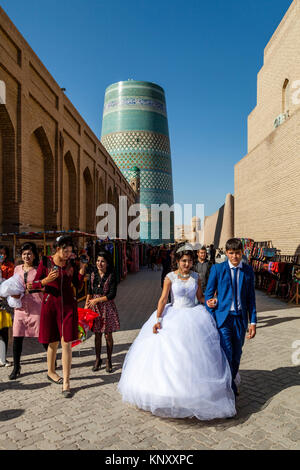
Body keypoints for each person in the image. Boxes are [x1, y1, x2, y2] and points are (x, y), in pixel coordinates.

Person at [118, 245, 236, 420]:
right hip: (174, 315)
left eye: (189, 261)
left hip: (194, 316)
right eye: (184, 261)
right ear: (178, 261)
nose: (187, 264)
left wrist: (208, 302)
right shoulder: (170, 277)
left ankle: (193, 393)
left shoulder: (196, 277)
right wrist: (158, 319)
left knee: (193, 357)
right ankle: (169, 394)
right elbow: (164, 298)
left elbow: (200, 296)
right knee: (172, 356)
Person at [28, 235, 87, 398]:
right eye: (65, 251)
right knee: (52, 342)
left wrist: (82, 269)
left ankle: (67, 382)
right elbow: (31, 286)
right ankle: (51, 371)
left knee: (67, 342)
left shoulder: (72, 264)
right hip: (50, 307)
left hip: (68, 307)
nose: (68, 254)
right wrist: (46, 280)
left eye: (70, 251)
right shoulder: (45, 262)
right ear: (57, 249)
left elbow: (78, 285)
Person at [205, 238, 257, 397]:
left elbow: (251, 299)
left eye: (237, 253)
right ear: (226, 253)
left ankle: (231, 379)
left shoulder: (248, 271)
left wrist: (253, 322)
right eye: (231, 253)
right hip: (224, 319)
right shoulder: (217, 269)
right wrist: (212, 310)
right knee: (227, 353)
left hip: (240, 319)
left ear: (242, 253)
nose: (234, 256)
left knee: (237, 354)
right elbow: (208, 294)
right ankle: (229, 388)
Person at [9, 243, 45, 380]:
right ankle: (16, 367)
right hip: (20, 308)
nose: (26, 256)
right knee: (17, 337)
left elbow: (45, 287)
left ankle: (52, 362)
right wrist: (12, 293)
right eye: (24, 253)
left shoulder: (38, 270)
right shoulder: (17, 268)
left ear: (34, 255)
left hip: (36, 307)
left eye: (29, 253)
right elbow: (13, 285)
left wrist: (35, 287)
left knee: (42, 337)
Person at [85, 251, 120, 373]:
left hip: (107, 308)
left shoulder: (112, 275)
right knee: (97, 335)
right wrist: (86, 305)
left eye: (103, 261)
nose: (100, 263)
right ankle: (98, 359)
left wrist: (97, 300)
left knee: (108, 335)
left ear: (107, 263)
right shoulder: (93, 274)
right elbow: (89, 290)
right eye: (98, 260)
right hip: (95, 308)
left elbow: (112, 294)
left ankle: (109, 360)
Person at [0, 245, 14, 367]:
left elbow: (11, 284)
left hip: (4, 302)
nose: (2, 256)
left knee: (4, 329)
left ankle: (3, 358)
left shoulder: (9, 266)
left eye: (3, 254)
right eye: (0, 253)